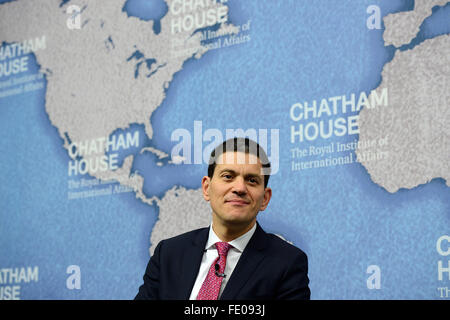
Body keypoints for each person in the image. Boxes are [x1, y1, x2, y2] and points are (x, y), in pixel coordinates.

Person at [135, 137, 310, 300]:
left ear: (265, 198)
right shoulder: (168, 254)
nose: (239, 188)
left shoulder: (287, 263)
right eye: (228, 176)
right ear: (206, 188)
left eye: (251, 180)